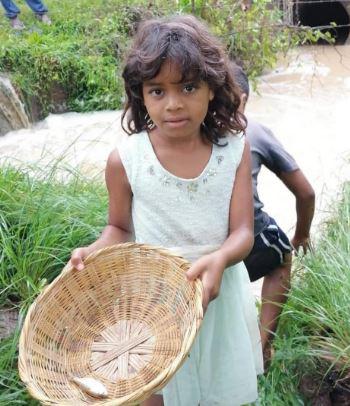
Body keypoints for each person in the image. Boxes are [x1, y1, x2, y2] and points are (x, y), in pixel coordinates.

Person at [70, 15, 263, 406]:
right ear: (140, 94)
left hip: (217, 296)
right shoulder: (125, 160)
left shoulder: (233, 151)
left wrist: (220, 258)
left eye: (188, 87)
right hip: (154, 302)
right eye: (157, 91)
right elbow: (119, 228)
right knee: (156, 394)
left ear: (212, 89)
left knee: (219, 390)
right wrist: (94, 250)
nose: (173, 104)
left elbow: (243, 233)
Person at [232, 63, 315, 366]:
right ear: (241, 99)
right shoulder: (253, 130)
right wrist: (302, 233)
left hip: (199, 251)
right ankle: (262, 345)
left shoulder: (188, 133)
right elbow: (306, 192)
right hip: (247, 243)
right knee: (281, 253)